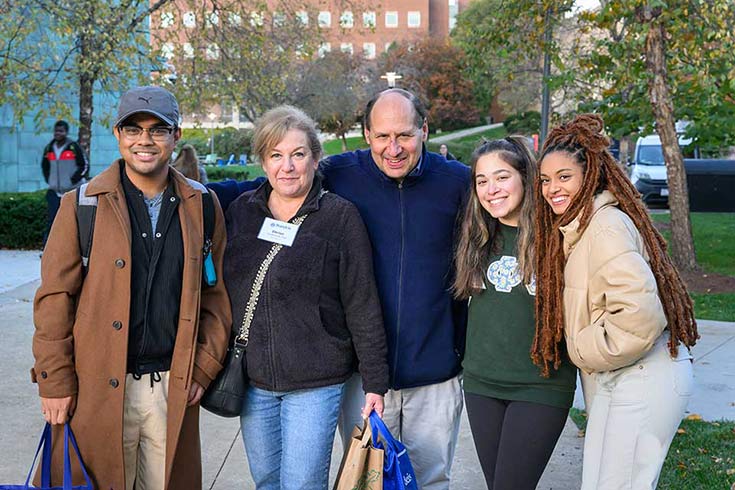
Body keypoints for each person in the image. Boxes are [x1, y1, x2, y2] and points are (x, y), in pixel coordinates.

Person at [209, 89, 470, 490]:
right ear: (366, 135)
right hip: (323, 376)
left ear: (425, 131)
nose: (393, 147)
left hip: (426, 368)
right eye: (383, 136)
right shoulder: (334, 177)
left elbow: (506, 211)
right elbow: (258, 183)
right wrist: (183, 188)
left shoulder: (455, 182)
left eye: (404, 135)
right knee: (358, 481)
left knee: (428, 479)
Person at [32, 86, 231, 489]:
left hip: (171, 393)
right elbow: (54, 300)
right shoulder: (81, 205)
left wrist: (203, 366)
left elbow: (216, 297)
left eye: (158, 130)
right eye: (133, 129)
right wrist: (54, 381)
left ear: (176, 136)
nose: (145, 140)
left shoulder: (203, 206)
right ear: (118, 134)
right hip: (97, 392)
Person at [223, 105, 389, 490]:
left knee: (301, 484)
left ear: (315, 158)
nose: (288, 166)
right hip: (255, 383)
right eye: (276, 155)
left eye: (298, 154)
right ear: (263, 162)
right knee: (266, 481)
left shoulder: (339, 218)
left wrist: (375, 382)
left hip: (316, 383)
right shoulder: (242, 213)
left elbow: (362, 302)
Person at [534, 114, 698, 489]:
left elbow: (639, 320)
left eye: (564, 177)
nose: (551, 188)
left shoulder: (605, 228)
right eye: (545, 180)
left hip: (645, 376)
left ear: (590, 174)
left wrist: (580, 348)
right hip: (619, 376)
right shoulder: (580, 228)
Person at [453, 137, 576, 489]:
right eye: (482, 181)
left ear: (526, 176)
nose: (491, 189)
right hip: (481, 384)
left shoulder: (559, 236)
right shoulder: (476, 236)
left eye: (502, 177)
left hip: (540, 386)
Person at [40, 120, 89, 247]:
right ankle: (48, 248)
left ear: (66, 132)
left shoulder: (73, 146)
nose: (58, 133)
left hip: (72, 191)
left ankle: (78, 248)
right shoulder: (49, 148)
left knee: (75, 221)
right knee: (52, 220)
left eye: (61, 131)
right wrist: (50, 180)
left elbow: (84, 165)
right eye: (56, 130)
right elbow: (45, 166)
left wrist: (72, 180)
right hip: (54, 191)